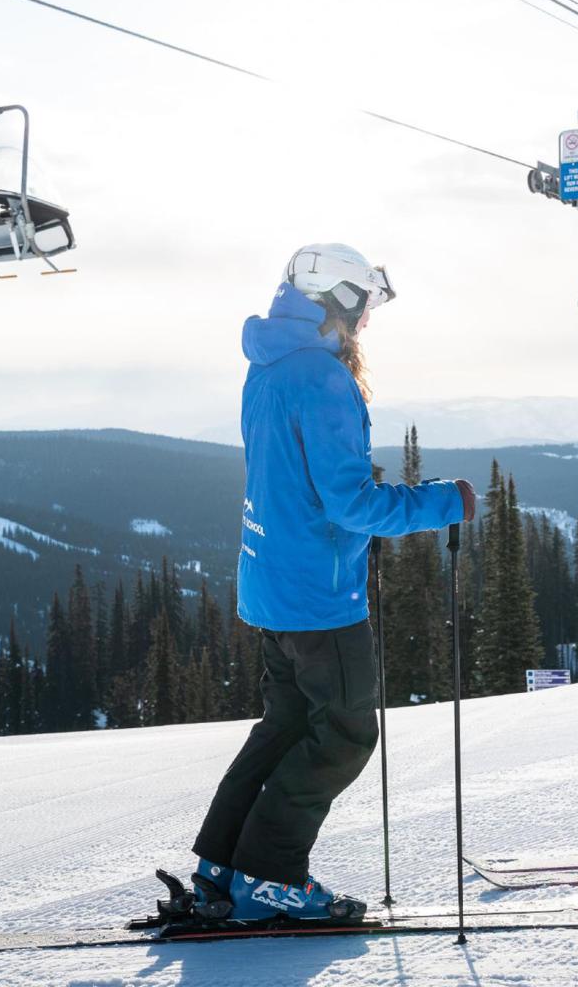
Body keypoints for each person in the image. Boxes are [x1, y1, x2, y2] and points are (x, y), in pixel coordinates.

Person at [189, 243, 476, 922]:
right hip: (319, 596)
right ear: (337, 303)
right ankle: (269, 876)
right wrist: (444, 502)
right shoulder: (321, 378)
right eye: (365, 307)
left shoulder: (268, 366)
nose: (368, 322)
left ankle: (222, 865)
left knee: (286, 725)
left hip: (271, 586)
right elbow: (350, 504)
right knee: (346, 733)